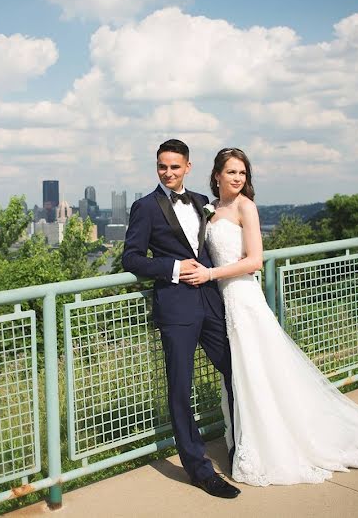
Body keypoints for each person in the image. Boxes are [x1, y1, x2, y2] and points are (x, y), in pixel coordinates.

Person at [179, 147, 358, 486]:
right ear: (216, 175)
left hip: (244, 299)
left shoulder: (247, 207)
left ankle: (270, 441)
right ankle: (243, 440)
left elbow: (255, 260)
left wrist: (211, 275)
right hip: (222, 303)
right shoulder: (211, 210)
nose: (237, 178)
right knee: (240, 374)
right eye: (231, 172)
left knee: (257, 372)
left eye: (242, 173)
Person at [122, 139, 241, 499]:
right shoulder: (145, 207)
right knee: (180, 388)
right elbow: (132, 259)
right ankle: (200, 470)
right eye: (162, 166)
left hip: (211, 300)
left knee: (238, 370)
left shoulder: (202, 203)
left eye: (175, 166)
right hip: (175, 308)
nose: (168, 172)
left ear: (187, 167)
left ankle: (243, 446)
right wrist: (172, 268)